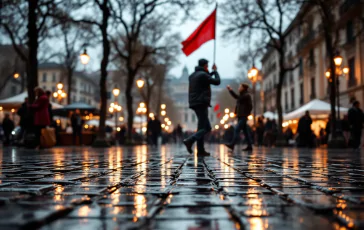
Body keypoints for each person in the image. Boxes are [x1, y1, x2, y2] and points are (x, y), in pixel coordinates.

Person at [183, 59, 221, 156]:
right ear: (205, 66)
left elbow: (203, 81)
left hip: (194, 103)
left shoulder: (192, 75)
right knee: (206, 127)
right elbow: (217, 82)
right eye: (207, 66)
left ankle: (200, 150)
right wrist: (215, 71)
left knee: (203, 127)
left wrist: (209, 73)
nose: (207, 68)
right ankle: (190, 140)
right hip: (202, 102)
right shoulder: (203, 75)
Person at [225, 83, 253, 151]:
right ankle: (250, 146)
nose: (239, 88)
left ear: (243, 88)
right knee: (246, 132)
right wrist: (236, 113)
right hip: (240, 115)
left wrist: (230, 90)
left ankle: (232, 144)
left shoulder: (246, 95)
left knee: (237, 129)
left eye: (240, 87)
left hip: (243, 116)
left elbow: (237, 98)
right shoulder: (243, 95)